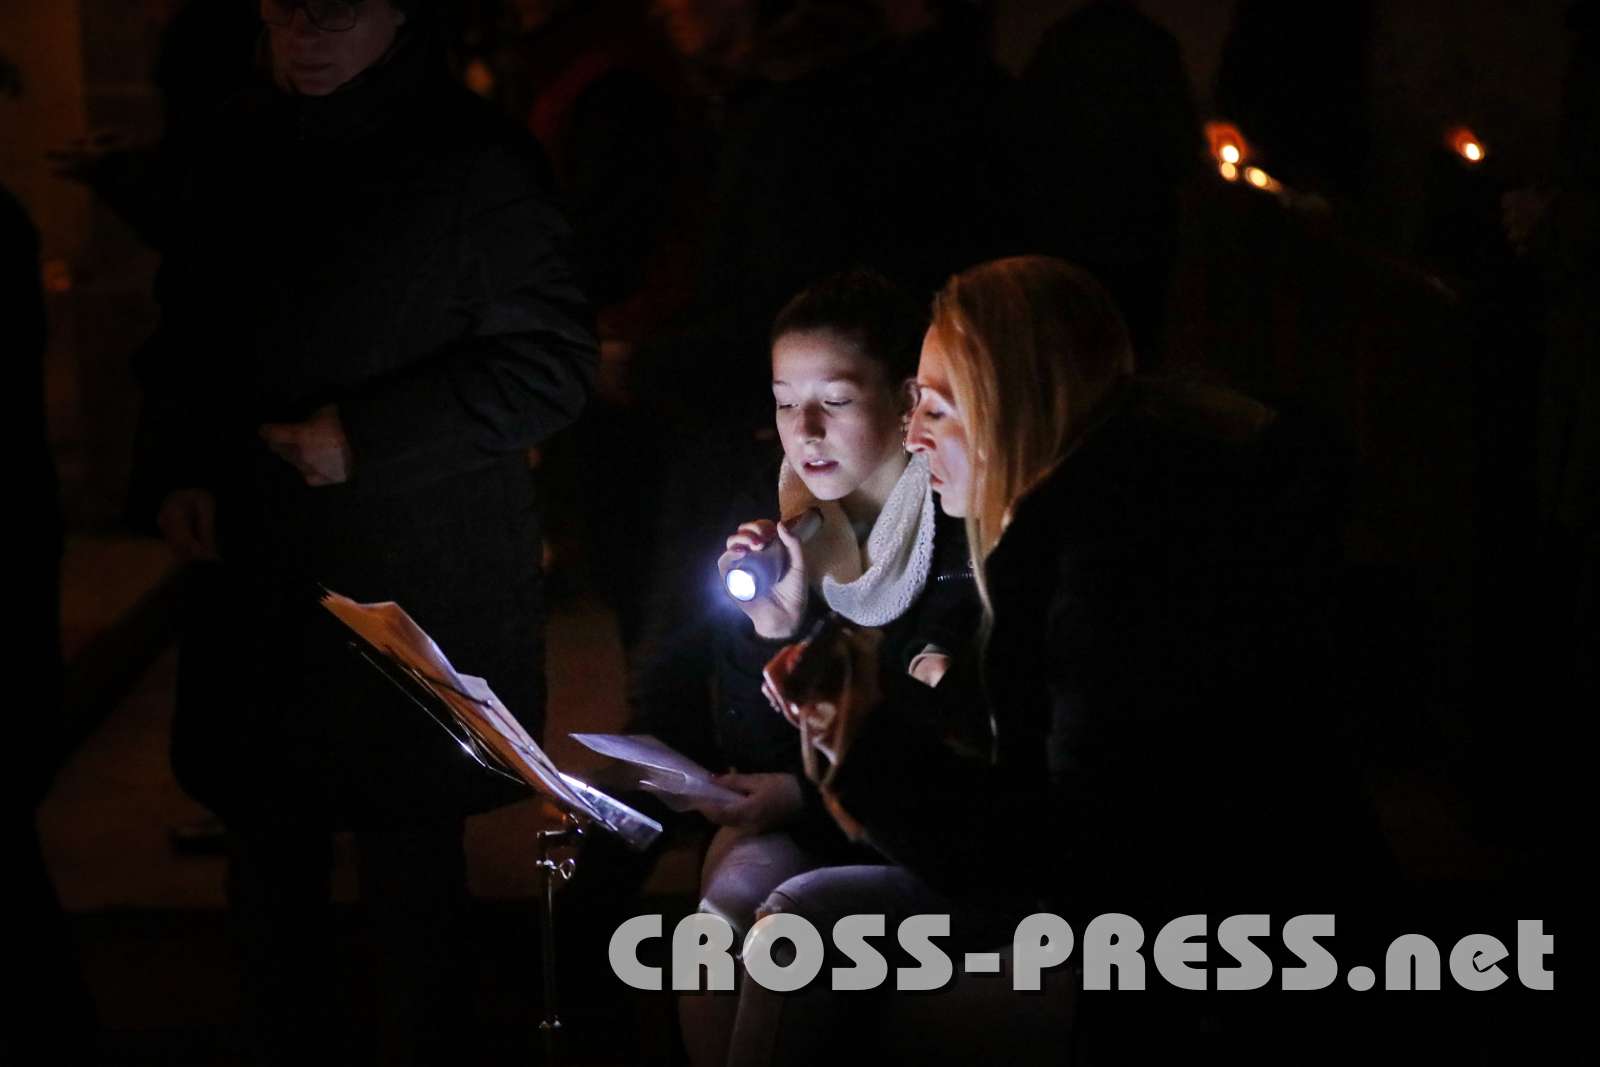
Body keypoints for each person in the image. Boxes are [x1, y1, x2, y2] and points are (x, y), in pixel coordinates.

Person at [752, 256, 1386, 1064]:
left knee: (804, 941)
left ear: (1011, 406)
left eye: (936, 408)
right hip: (1161, 938)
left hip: (1212, 978)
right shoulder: (1086, 532)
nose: (913, 437)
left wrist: (870, 746)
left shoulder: (1120, 568)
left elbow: (1078, 852)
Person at [130, 2, 595, 1061]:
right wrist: (178, 466)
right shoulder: (233, 145)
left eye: (337, 6)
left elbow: (548, 363)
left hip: (413, 580)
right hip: (258, 566)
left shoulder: (474, 161)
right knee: (268, 875)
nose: (307, 30)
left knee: (410, 883)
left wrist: (368, 437)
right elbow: (186, 330)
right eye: (286, 4)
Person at [621, 269, 979, 1067]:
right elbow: (750, 743)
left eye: (837, 400)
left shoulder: (953, 520)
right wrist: (771, 627)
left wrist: (797, 791)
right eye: (786, 402)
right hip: (825, 809)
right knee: (724, 906)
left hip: (916, 824)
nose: (806, 429)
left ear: (906, 400)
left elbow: (950, 745)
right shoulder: (784, 514)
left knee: (780, 917)